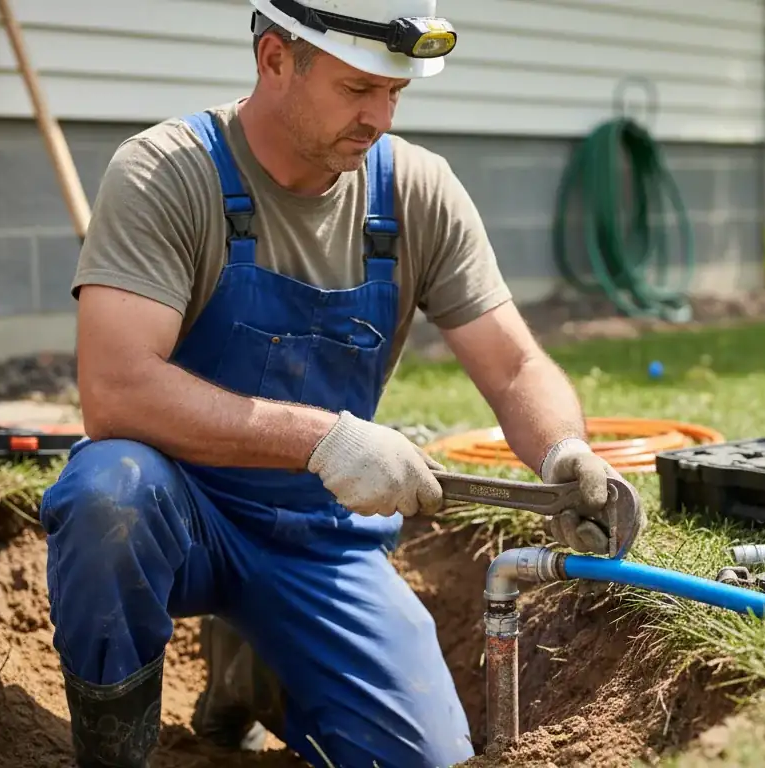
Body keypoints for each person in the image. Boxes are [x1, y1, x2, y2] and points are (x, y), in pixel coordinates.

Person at [38, 1, 636, 766]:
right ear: (276, 60)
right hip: (182, 513)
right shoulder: (169, 171)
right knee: (106, 495)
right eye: (358, 89)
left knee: (421, 758)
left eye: (397, 93)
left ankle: (253, 672)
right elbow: (116, 391)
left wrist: (562, 454)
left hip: (318, 542)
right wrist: (322, 438)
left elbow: (515, 363)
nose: (380, 117)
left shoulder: (416, 190)